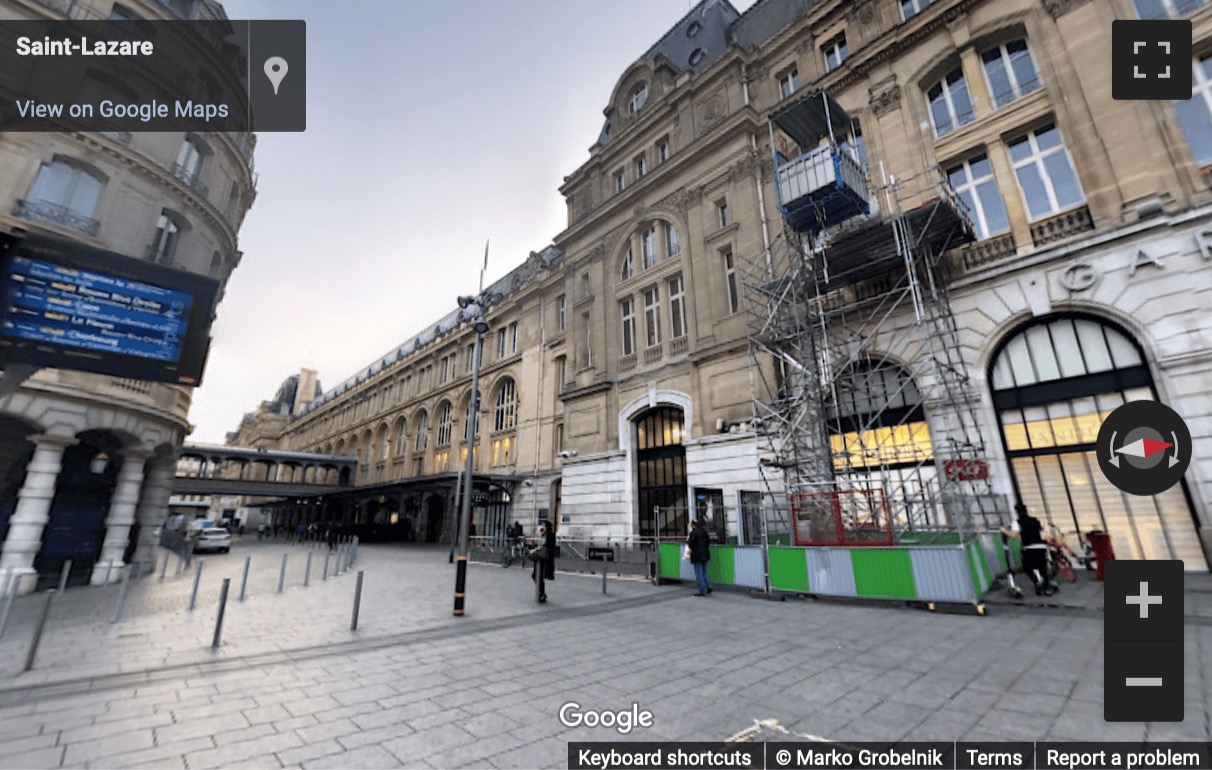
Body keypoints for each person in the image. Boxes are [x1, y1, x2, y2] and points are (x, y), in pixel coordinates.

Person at [1008, 502, 1052, 596]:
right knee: (1042, 568)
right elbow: (1041, 530)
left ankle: (1036, 582)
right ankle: (1047, 587)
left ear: (1016, 512)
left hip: (1029, 547)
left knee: (1027, 567)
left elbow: (1014, 535)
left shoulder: (1017, 522)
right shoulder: (1036, 520)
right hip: (1040, 546)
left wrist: (1004, 531)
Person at [530, 520, 556, 603]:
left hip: (545, 559)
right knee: (535, 576)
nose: (542, 527)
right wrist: (539, 536)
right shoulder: (543, 535)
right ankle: (541, 593)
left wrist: (537, 548)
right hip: (539, 558)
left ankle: (541, 594)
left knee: (540, 576)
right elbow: (539, 544)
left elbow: (546, 546)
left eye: (544, 525)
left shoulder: (550, 535)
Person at [687, 518, 713, 596]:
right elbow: (708, 542)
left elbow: (691, 544)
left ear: (693, 525)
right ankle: (709, 586)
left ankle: (702, 591)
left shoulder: (693, 533)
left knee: (699, 573)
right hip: (705, 555)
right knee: (704, 571)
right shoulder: (704, 532)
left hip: (697, 556)